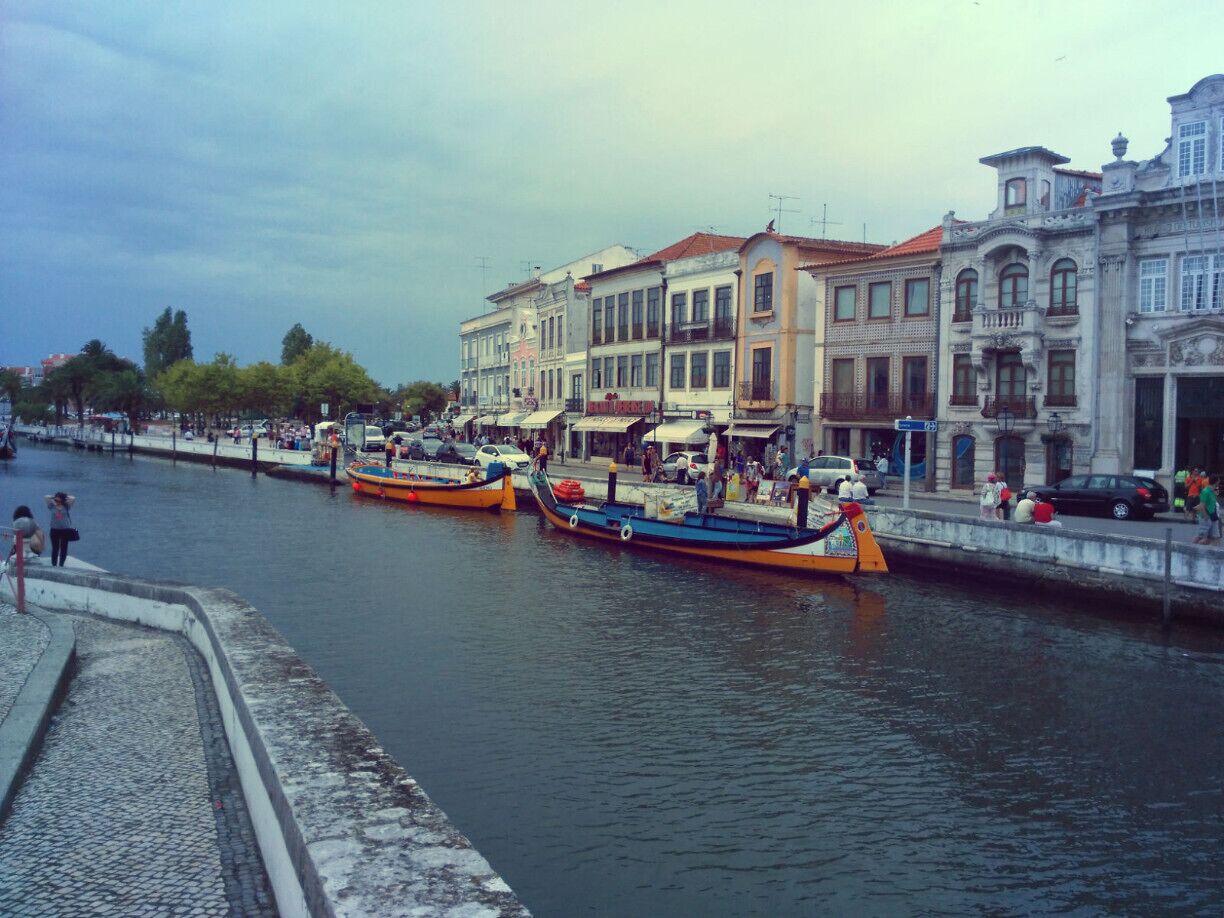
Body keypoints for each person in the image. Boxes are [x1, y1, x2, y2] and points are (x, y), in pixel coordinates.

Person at [43, 492, 76, 567]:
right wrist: (53, 497)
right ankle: (54, 564)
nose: (57, 502)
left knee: (64, 548)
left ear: (63, 500)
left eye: (59, 501)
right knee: (55, 548)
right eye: (56, 500)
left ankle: (61, 564)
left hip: (65, 530)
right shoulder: (52, 506)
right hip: (54, 529)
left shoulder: (66, 506)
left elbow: (73, 498)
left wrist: (65, 497)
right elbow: (45, 497)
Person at [1195, 476, 1220, 545]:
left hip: (1213, 516)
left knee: (1214, 537)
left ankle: (1211, 553)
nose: (1219, 483)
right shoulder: (1206, 491)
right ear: (1216, 482)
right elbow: (1202, 505)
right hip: (1206, 516)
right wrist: (1206, 516)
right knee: (1201, 537)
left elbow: (1212, 503)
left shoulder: (1212, 491)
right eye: (1218, 481)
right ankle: (1192, 550)